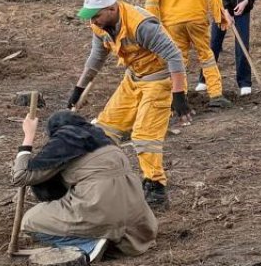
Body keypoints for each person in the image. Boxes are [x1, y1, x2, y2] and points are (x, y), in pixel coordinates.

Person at [67, 0, 194, 210]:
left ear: (112, 9)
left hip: (160, 78)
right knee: (105, 129)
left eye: (96, 15)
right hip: (134, 77)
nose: (93, 21)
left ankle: (155, 188)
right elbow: (96, 57)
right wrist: (78, 89)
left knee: (145, 136)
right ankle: (106, 181)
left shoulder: (141, 25)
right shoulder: (100, 26)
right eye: (90, 16)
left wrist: (179, 95)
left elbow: (174, 56)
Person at [12, 109, 158, 261]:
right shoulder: (105, 139)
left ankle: (88, 243)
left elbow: (21, 176)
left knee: (30, 220)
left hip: (101, 210)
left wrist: (28, 136)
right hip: (137, 219)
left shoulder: (66, 140)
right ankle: (105, 238)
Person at [147, 0, 232, 109]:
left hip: (172, 23)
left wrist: (151, 29)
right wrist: (220, 15)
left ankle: (179, 97)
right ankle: (216, 95)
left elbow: (152, 2)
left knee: (178, 59)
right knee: (206, 55)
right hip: (196, 19)